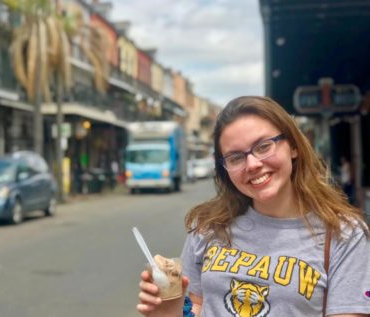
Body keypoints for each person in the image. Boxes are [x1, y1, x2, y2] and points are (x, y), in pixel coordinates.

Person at [137, 96, 370, 317]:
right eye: (235, 157)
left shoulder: (344, 234)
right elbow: (196, 305)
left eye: (264, 146)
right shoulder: (207, 226)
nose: (252, 164)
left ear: (294, 147)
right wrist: (170, 312)